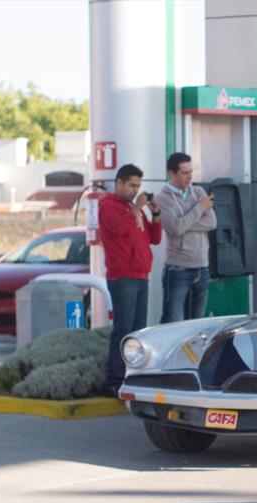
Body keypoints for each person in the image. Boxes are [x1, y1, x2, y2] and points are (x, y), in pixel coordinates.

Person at [98, 163, 162, 396]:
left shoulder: (134, 208)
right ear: (119, 183)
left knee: (138, 331)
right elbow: (117, 229)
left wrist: (155, 213)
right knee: (123, 330)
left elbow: (154, 238)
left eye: (138, 186)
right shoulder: (108, 206)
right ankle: (115, 379)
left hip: (140, 275)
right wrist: (136, 208)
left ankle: (134, 376)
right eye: (132, 185)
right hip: (122, 276)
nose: (135, 190)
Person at [158, 152, 217, 323]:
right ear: (172, 173)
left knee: (197, 322)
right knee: (173, 320)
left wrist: (185, 223)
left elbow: (212, 222)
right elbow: (175, 228)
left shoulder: (198, 191)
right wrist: (199, 208)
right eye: (185, 173)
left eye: (191, 172)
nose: (189, 176)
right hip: (178, 269)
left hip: (202, 266)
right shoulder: (163, 198)